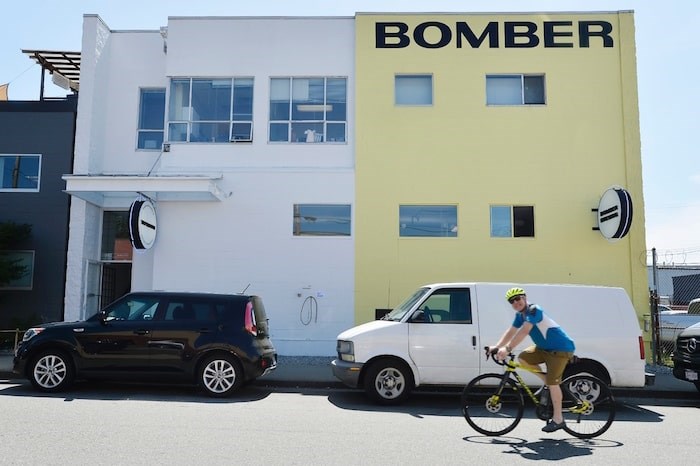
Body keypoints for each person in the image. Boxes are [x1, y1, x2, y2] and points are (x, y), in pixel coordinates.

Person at [490, 287, 575, 433]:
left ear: (524, 297)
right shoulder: (520, 315)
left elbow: (524, 331)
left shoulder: (534, 310)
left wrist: (508, 349)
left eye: (518, 299)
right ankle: (547, 382)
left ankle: (558, 419)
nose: (516, 302)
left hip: (560, 349)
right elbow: (511, 331)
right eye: (512, 301)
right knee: (523, 358)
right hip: (543, 349)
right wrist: (497, 346)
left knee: (553, 383)